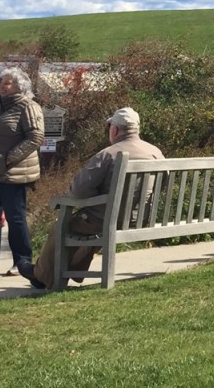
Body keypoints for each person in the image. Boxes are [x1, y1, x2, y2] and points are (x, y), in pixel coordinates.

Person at [19, 106, 163, 291]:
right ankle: (71, 271)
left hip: (105, 220)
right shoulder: (155, 153)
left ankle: (41, 275)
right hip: (140, 219)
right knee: (87, 224)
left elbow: (79, 192)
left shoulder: (109, 154)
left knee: (63, 225)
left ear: (114, 129)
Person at [0, 66, 44, 278]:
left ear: (19, 86)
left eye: (7, 83)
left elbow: (35, 137)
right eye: (2, 82)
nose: (2, 86)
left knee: (15, 218)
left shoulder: (28, 107)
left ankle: (22, 262)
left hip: (14, 173)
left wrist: (8, 159)